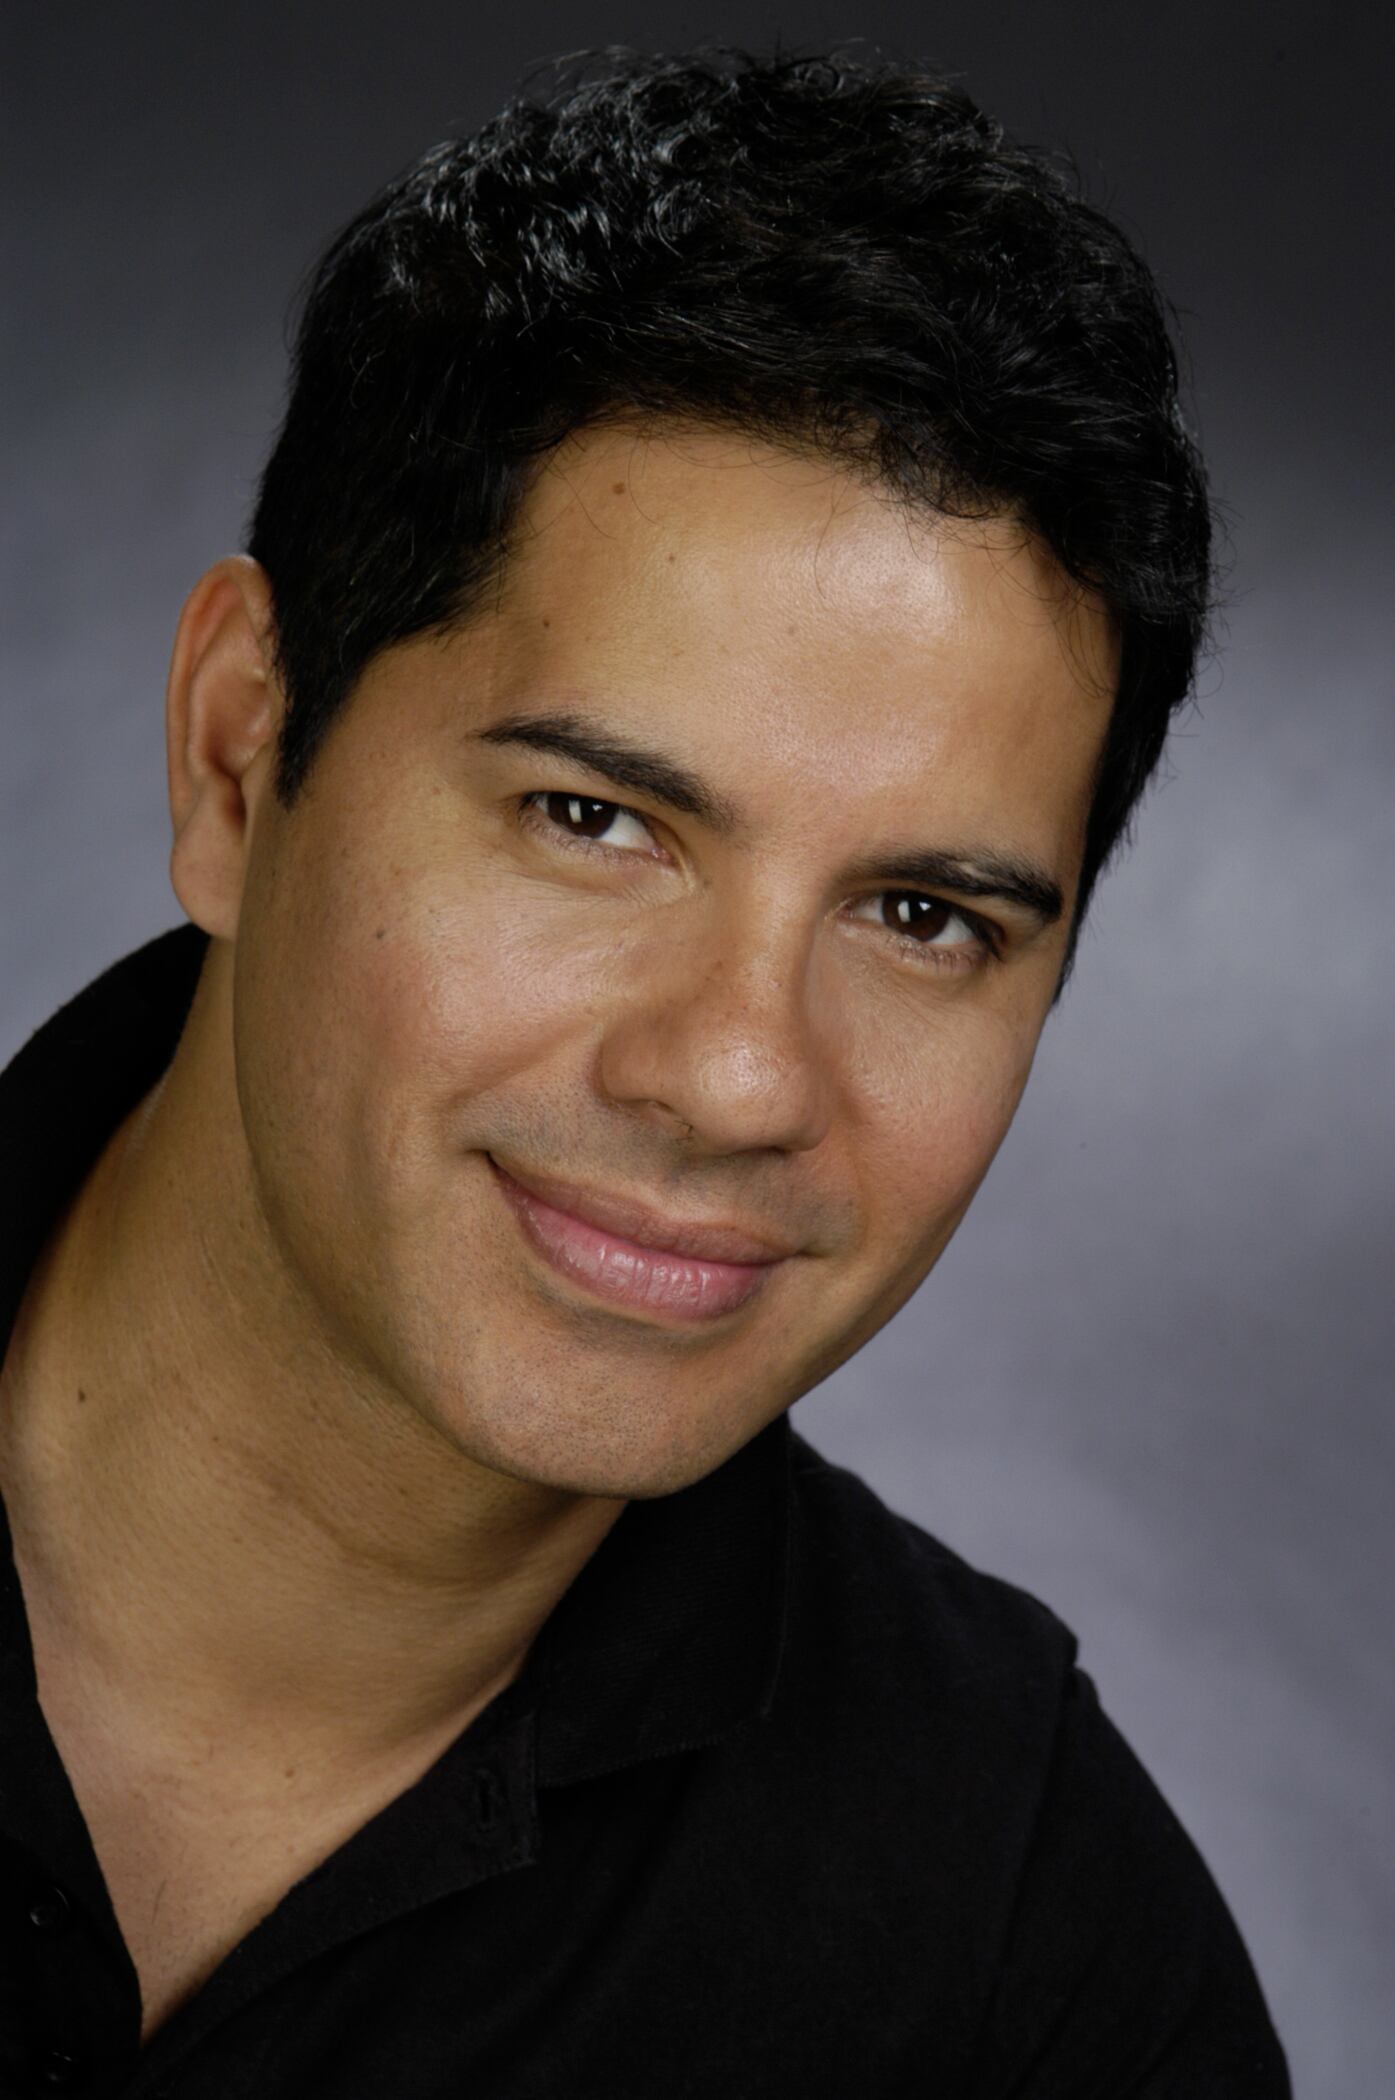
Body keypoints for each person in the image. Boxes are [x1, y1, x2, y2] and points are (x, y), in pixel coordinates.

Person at [0, 45, 1289, 2097]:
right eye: (594, 820)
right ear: (240, 755)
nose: (738, 1077)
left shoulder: (1032, 1968)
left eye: (922, 917)